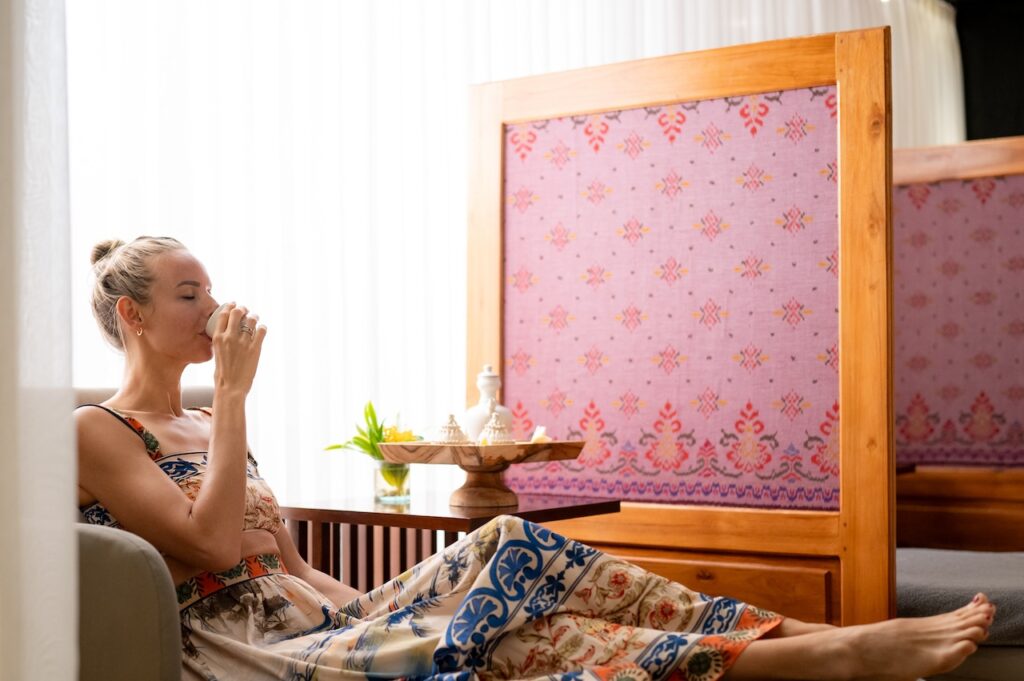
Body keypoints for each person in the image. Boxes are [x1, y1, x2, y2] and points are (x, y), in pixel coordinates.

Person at [78, 236, 995, 681]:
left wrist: (379, 603)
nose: (212, 308)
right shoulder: (97, 433)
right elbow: (204, 550)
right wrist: (234, 395)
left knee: (514, 543)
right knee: (517, 634)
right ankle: (831, 658)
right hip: (250, 653)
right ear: (131, 313)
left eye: (210, 288)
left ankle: (810, 643)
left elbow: (289, 567)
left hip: (318, 620)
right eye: (189, 293)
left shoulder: (214, 425)